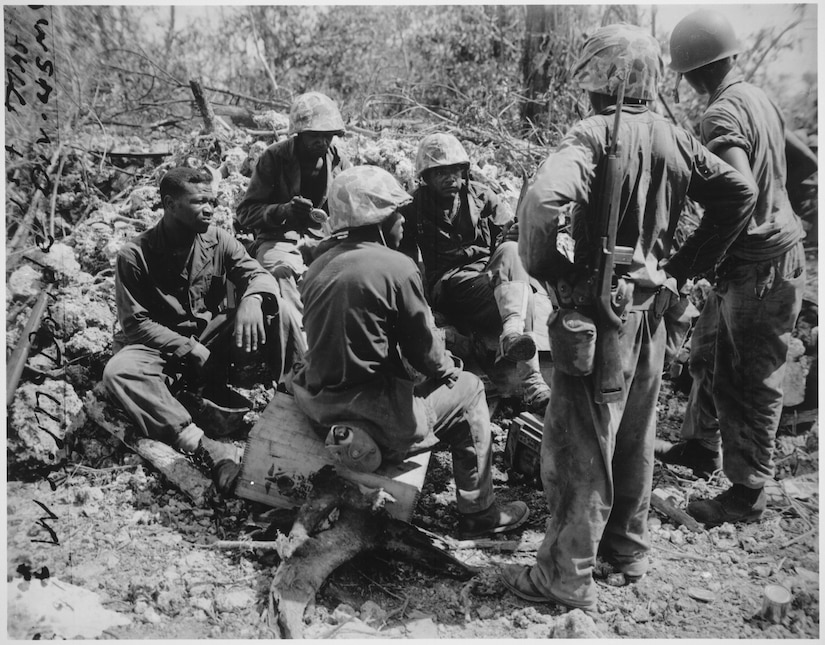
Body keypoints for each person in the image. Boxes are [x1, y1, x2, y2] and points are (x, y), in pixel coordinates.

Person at [498, 24, 757, 611]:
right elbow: (738, 193)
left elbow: (540, 204)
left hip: (598, 313)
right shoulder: (674, 135)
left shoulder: (591, 135)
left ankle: (564, 576)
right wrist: (681, 268)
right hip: (651, 311)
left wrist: (550, 270)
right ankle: (628, 549)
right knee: (637, 431)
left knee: (578, 443)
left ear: (599, 79)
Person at [291, 165, 530, 540]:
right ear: (380, 220)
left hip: (322, 407)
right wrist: (451, 365)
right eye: (397, 213)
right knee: (469, 388)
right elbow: (428, 357)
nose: (403, 220)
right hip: (376, 416)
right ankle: (480, 512)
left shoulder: (318, 264)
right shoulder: (398, 267)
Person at [656, 9, 816, 525]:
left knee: (749, 378)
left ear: (691, 73)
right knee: (707, 353)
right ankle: (700, 447)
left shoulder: (722, 115)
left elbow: (738, 195)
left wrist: (689, 260)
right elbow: (807, 165)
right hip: (757, 259)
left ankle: (747, 493)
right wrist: (793, 216)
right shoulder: (757, 98)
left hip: (759, 267)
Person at [104, 167, 284, 493]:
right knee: (119, 371)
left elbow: (260, 276)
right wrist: (185, 347)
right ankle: (204, 446)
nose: (210, 209)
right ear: (170, 204)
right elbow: (136, 324)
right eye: (199, 201)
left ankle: (292, 402)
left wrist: (253, 300)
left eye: (212, 201)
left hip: (211, 338)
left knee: (275, 308)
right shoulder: (136, 254)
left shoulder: (218, 240)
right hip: (161, 347)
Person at [398, 133, 551, 414]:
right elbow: (405, 259)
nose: (448, 178)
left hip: (490, 276)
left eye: (453, 170)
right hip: (450, 283)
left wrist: (515, 234)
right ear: (426, 177)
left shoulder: (483, 197)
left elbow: (506, 237)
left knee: (513, 253)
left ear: (464, 170)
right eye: (439, 172)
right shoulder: (414, 207)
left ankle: (514, 335)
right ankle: (531, 377)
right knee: (521, 293)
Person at [235, 91, 352, 382]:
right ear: (298, 133)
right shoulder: (273, 158)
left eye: (329, 135)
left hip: (325, 240)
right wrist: (282, 210)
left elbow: (353, 207)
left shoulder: (338, 161)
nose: (323, 142)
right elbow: (246, 213)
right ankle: (302, 369)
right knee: (282, 280)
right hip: (279, 239)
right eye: (315, 135)